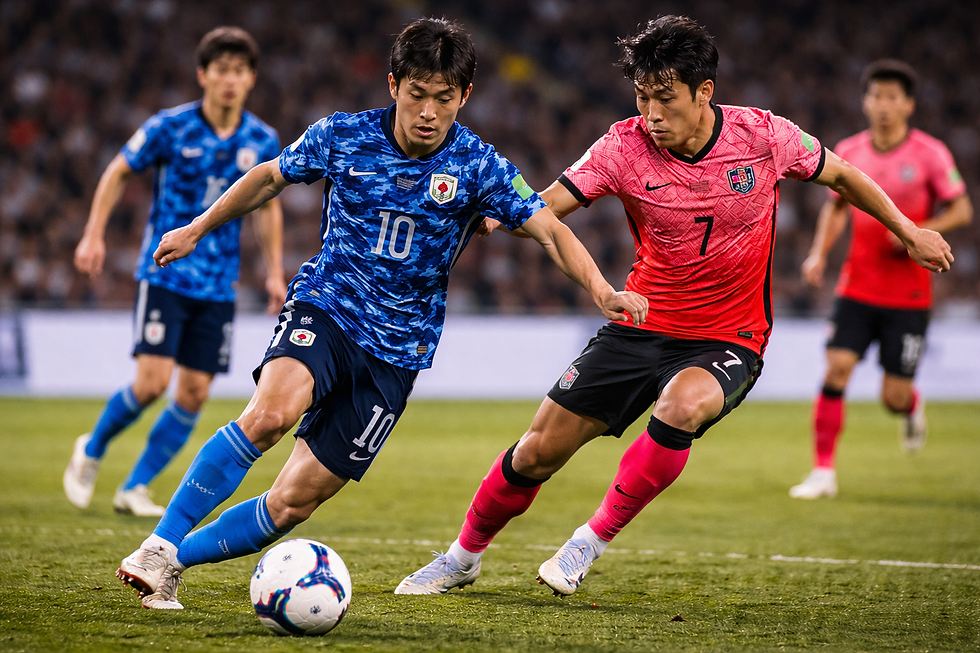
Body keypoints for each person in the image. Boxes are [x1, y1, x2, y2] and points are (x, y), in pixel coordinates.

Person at [394, 16, 954, 597]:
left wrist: (909, 231)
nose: (651, 113)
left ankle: (590, 540)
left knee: (682, 405)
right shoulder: (623, 144)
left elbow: (843, 175)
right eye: (642, 97)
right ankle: (462, 556)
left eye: (664, 99)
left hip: (729, 336)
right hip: (641, 323)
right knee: (537, 452)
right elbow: (548, 206)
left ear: (704, 91)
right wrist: (494, 215)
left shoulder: (763, 137)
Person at [114, 17, 647, 610]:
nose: (427, 111)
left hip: (397, 353)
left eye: (443, 99)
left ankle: (174, 564)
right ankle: (158, 546)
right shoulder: (343, 134)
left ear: (463, 97)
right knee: (271, 413)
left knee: (295, 500)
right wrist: (197, 227)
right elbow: (269, 178)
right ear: (393, 85)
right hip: (329, 307)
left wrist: (601, 289)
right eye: (416, 94)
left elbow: (548, 229)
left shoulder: (479, 165)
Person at [63, 27, 286, 517]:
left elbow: (267, 205)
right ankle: (93, 448)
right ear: (203, 75)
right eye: (221, 70)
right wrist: (94, 233)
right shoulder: (169, 127)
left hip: (218, 283)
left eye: (239, 71)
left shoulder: (261, 138)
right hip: (164, 272)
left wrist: (274, 271)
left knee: (195, 392)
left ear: (251, 79)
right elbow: (120, 169)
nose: (230, 80)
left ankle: (135, 485)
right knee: (150, 383)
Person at [789, 60, 971, 500]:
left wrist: (916, 229)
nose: (884, 106)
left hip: (908, 294)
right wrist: (818, 254)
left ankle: (911, 405)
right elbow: (835, 207)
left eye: (893, 97)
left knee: (893, 397)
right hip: (856, 286)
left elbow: (962, 210)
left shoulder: (931, 153)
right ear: (865, 102)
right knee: (836, 368)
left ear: (908, 105)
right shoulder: (849, 151)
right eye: (877, 96)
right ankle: (823, 472)